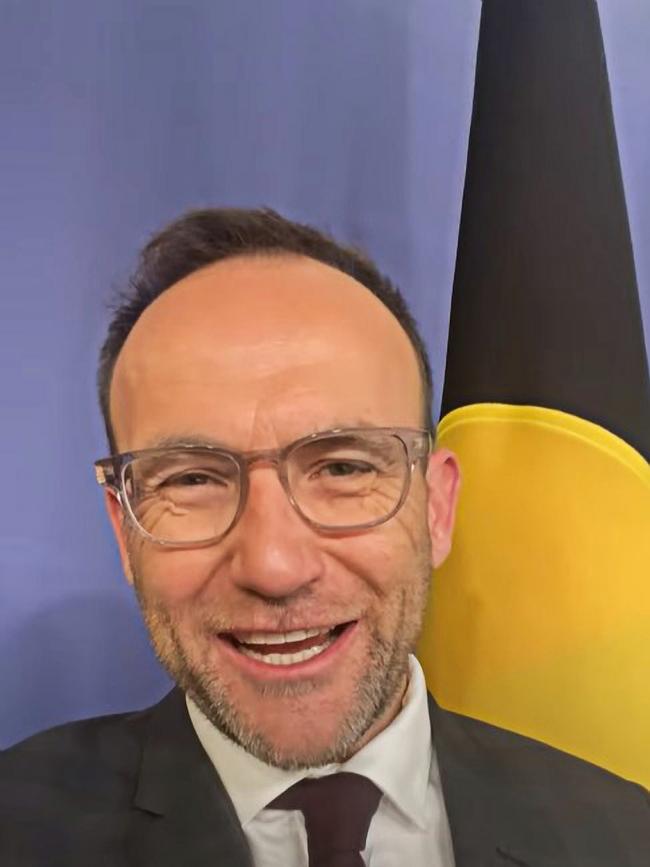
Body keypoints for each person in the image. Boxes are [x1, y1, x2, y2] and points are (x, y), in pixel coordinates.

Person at [0, 208, 647, 867]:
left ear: (437, 507)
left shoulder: (626, 837)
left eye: (344, 467)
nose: (275, 565)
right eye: (193, 479)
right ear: (123, 528)